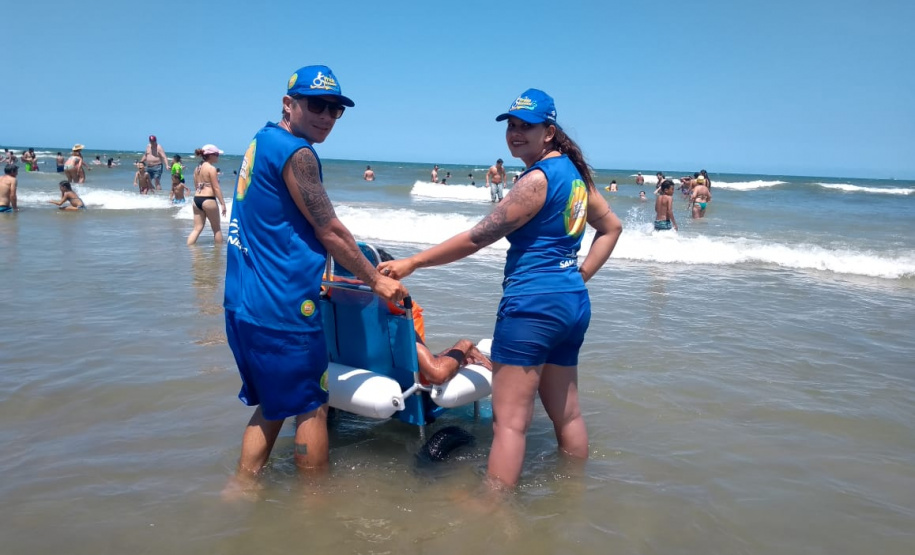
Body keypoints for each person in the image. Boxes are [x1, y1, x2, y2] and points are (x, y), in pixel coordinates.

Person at [378, 88, 623, 490]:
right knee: (568, 415)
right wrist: (577, 278)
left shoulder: (536, 181)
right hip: (571, 306)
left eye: (526, 126)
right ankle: (574, 491)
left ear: (549, 131)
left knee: (510, 423)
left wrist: (413, 261)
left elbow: (477, 238)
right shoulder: (576, 177)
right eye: (511, 125)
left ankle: (492, 508)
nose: (515, 133)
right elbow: (611, 228)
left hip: (530, 308)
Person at [222, 64, 408, 491]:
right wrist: (376, 281)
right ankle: (315, 511)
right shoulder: (298, 153)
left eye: (336, 110)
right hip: (283, 307)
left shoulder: (261, 141)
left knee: (275, 402)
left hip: (243, 303)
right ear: (289, 104)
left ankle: (240, 489)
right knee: (312, 406)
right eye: (317, 105)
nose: (327, 116)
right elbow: (331, 230)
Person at [374, 248, 491, 384]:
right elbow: (436, 374)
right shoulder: (397, 314)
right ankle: (467, 346)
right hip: (407, 395)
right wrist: (463, 346)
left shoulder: (349, 308)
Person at [186, 144, 227, 245]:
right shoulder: (211, 168)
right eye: (217, 154)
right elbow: (216, 188)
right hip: (208, 199)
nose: (218, 156)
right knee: (217, 229)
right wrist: (222, 203)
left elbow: (196, 185)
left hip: (197, 200)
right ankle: (217, 256)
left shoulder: (197, 168)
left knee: (197, 229)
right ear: (210, 155)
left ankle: (189, 251)